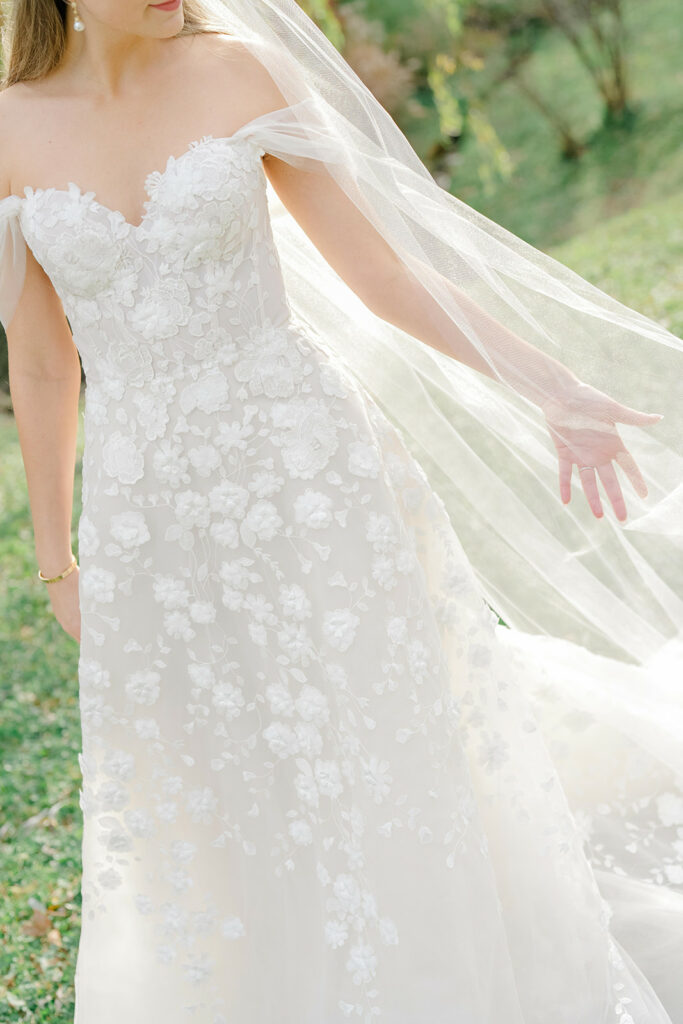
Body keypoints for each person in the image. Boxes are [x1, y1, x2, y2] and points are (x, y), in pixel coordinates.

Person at [0, 1, 681, 1022]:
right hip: (150, 521)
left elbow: (380, 274)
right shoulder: (11, 126)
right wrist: (58, 557)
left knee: (372, 747)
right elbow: (47, 362)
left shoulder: (238, 70)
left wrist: (551, 388)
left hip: (312, 478)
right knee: (223, 783)